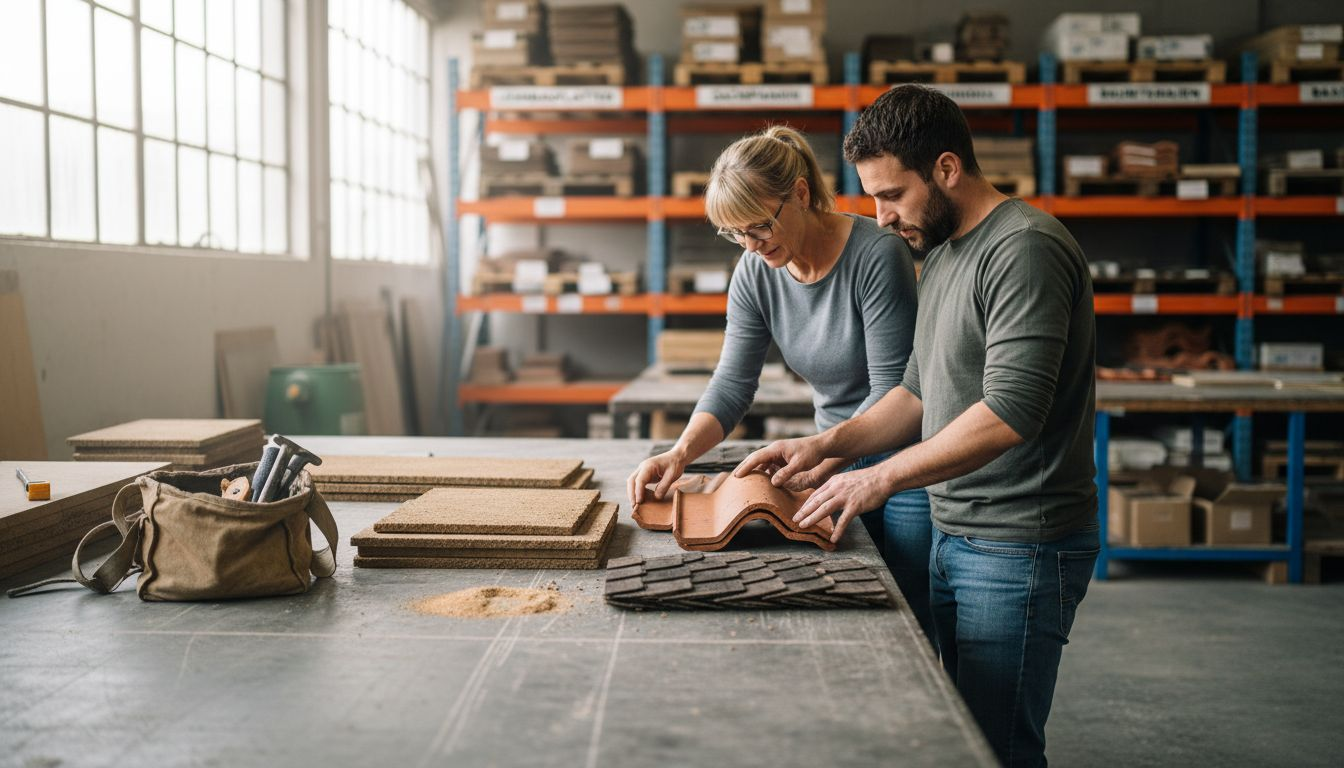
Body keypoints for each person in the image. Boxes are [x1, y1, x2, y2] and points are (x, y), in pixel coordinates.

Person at [736, 85, 1099, 768]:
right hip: (956, 528)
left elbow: (1011, 411)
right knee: (958, 737)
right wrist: (824, 447)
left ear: (947, 168)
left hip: (1018, 542)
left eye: (892, 194)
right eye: (872, 197)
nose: (880, 216)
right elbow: (915, 394)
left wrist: (879, 480)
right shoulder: (944, 253)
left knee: (999, 746)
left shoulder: (1022, 248)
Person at [624, 125, 933, 639]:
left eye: (760, 226)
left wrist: (820, 462)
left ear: (801, 194)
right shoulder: (754, 270)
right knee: (844, 619)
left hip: (900, 466)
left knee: (908, 629)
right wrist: (680, 453)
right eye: (737, 233)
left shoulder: (877, 256)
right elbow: (732, 384)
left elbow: (891, 392)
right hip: (825, 463)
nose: (751, 244)